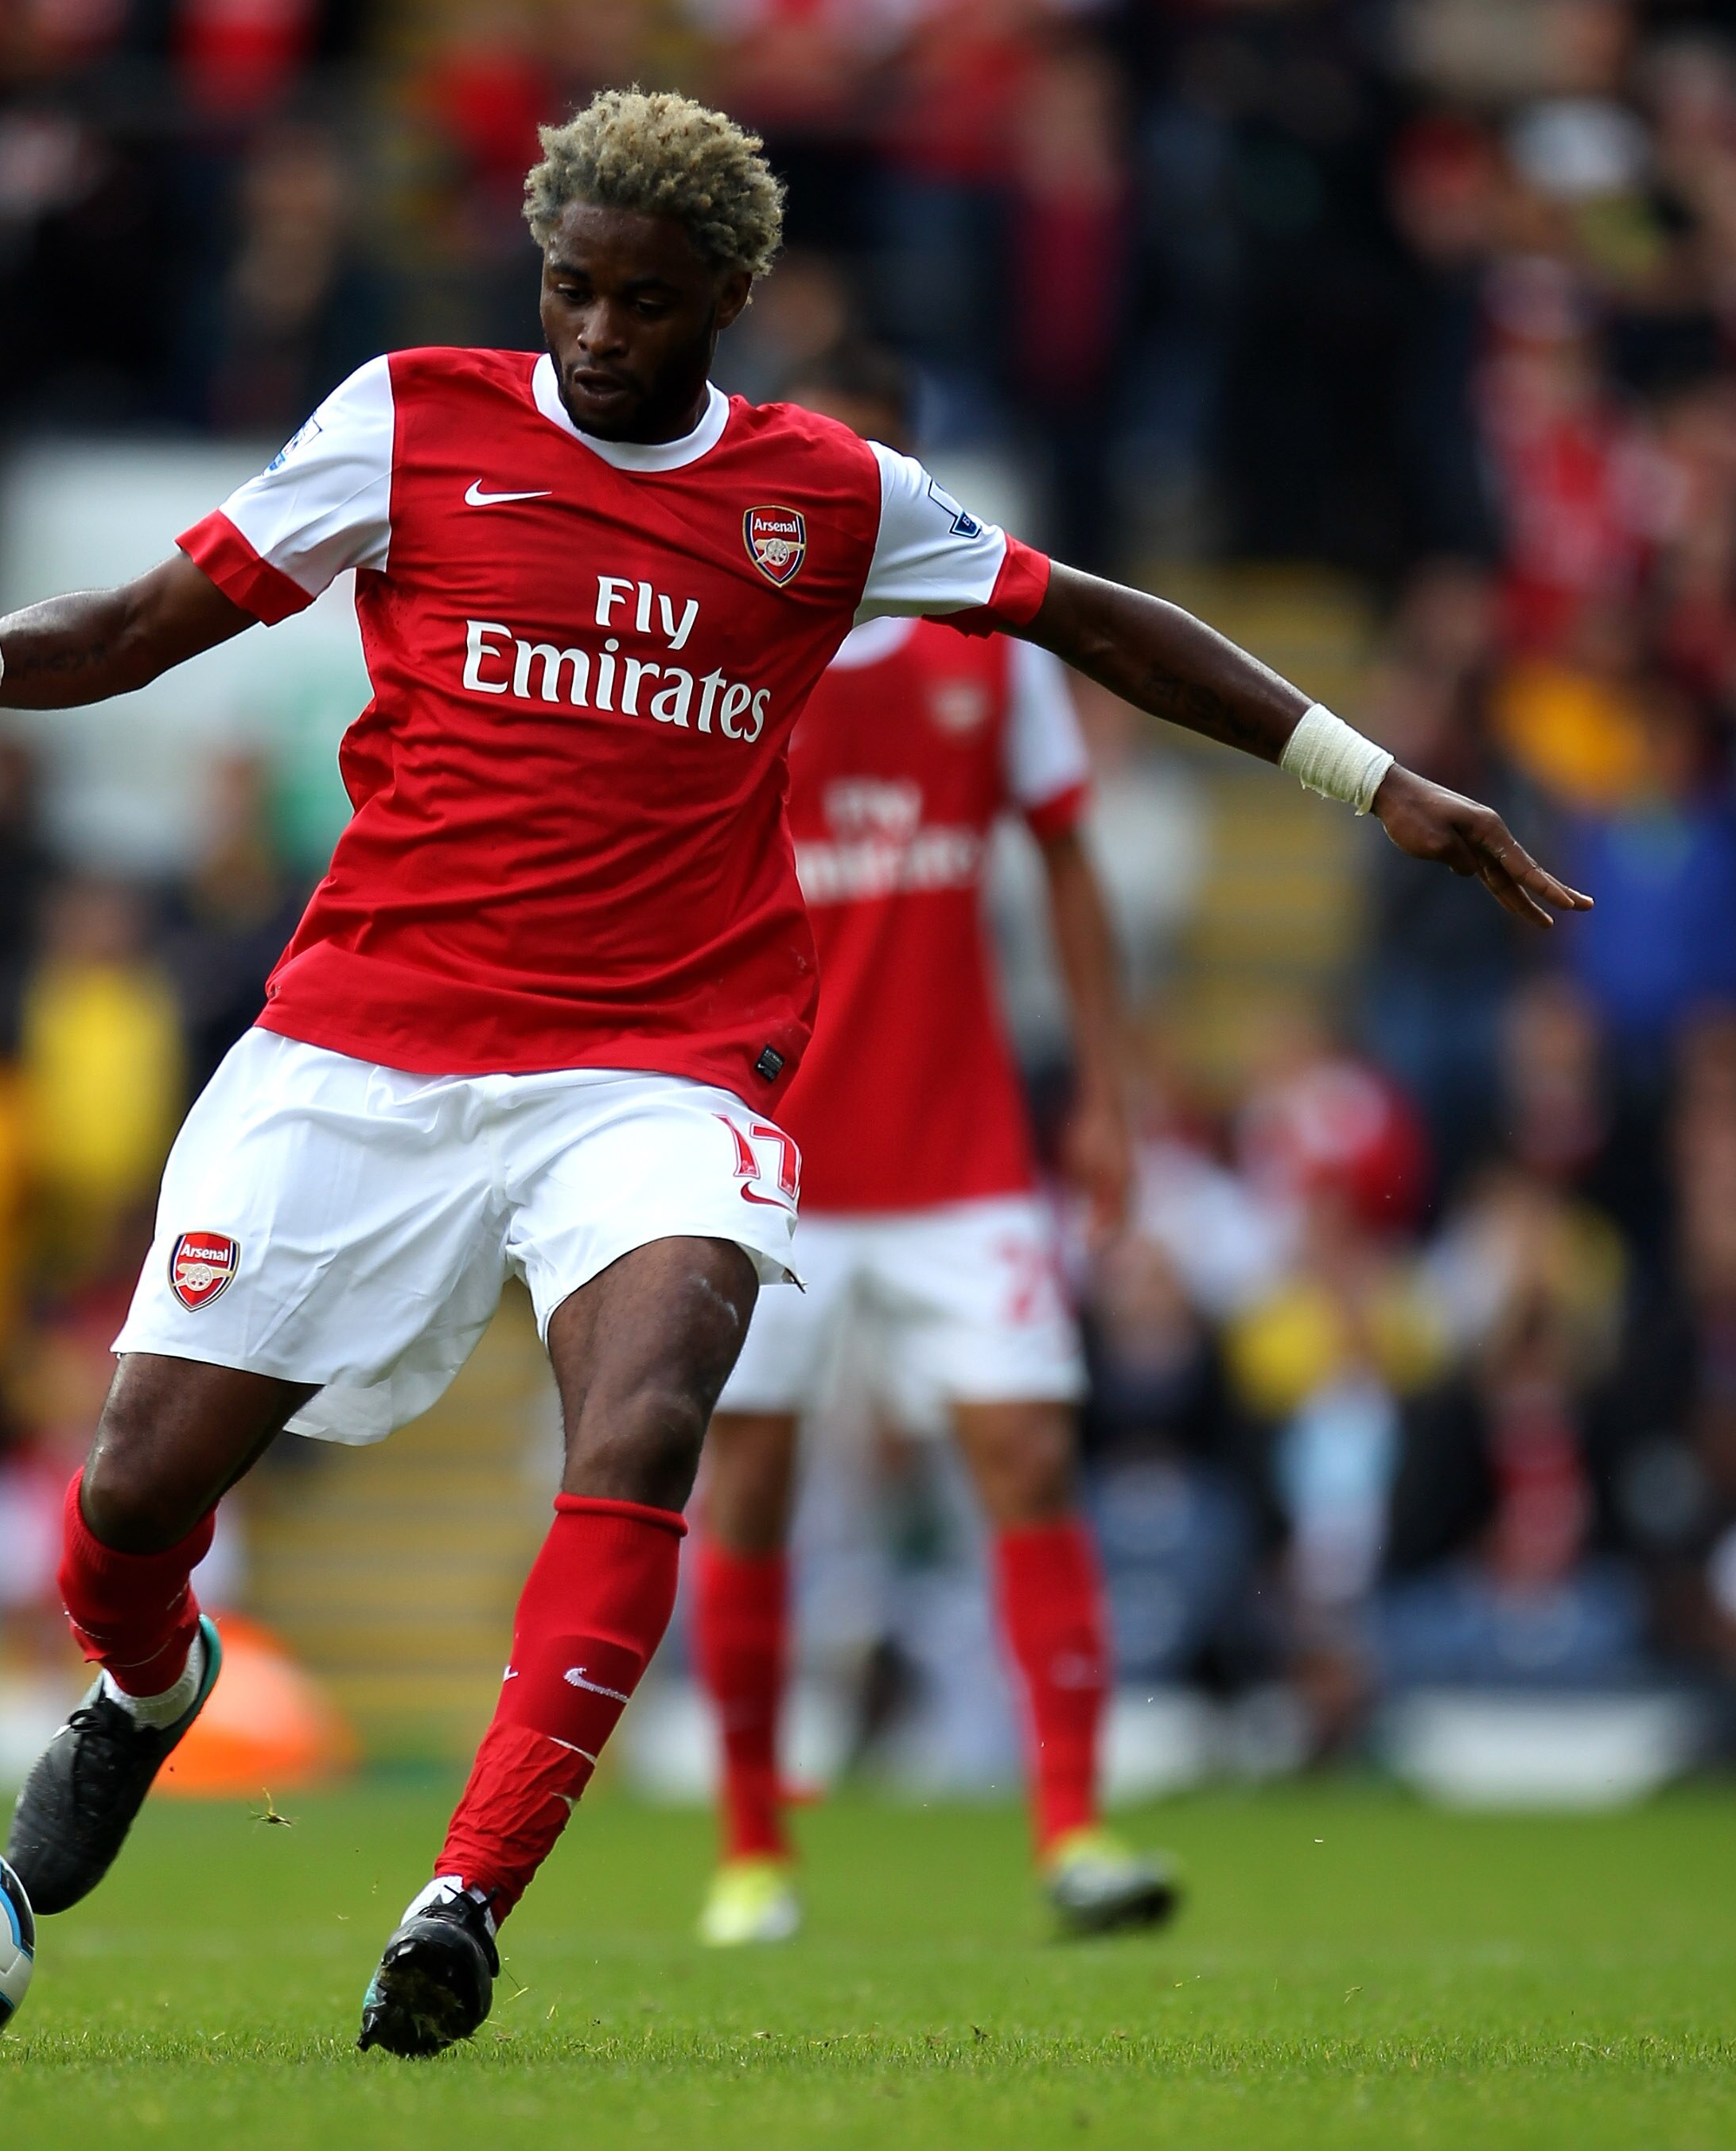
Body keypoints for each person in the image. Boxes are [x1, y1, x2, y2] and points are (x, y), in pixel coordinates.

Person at [0, 88, 1586, 2059]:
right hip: (364, 1038)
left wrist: (1378, 779)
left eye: (645, 303)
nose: (597, 335)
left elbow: (1104, 625)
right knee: (135, 1488)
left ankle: (462, 1896)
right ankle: (143, 1692)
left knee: (649, 1414)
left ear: (728, 296)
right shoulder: (410, 416)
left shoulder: (827, 493)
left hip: (659, 1065)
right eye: (570, 289)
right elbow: (146, 623)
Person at [687, 343, 1170, 1948]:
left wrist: (1105, 1087)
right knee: (746, 1484)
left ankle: (1078, 1830)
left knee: (1029, 1455)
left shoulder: (995, 651)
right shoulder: (746, 655)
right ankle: (754, 1847)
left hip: (963, 1151)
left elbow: (1069, 860)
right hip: (776, 1157)